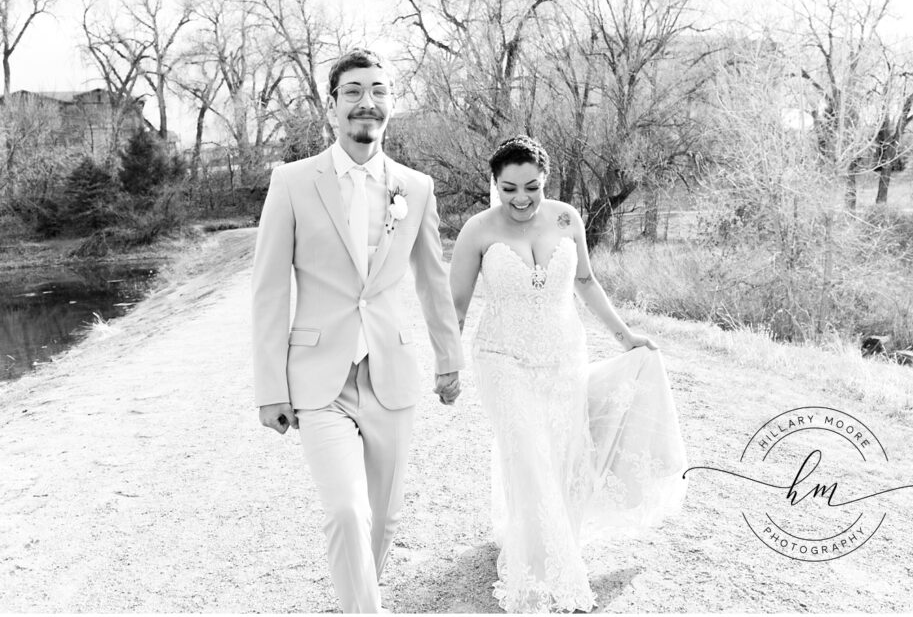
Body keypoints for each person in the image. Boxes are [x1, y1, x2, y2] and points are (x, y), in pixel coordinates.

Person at [251, 48, 464, 613]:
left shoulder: (415, 188)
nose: (365, 102)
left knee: (385, 518)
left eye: (377, 91)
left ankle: (354, 603)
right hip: (321, 380)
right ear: (332, 106)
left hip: (392, 374)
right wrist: (270, 386)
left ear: (391, 104)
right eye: (352, 92)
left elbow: (433, 280)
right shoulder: (293, 182)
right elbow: (270, 290)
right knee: (347, 509)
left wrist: (449, 357)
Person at [450, 135, 687, 613]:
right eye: (509, 188)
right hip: (502, 358)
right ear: (494, 184)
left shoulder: (566, 218)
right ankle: (543, 571)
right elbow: (452, 308)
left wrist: (626, 339)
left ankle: (544, 538)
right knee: (526, 451)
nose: (521, 199)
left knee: (560, 453)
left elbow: (585, 281)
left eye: (531, 187)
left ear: (546, 180)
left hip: (563, 357)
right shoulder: (477, 231)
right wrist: (446, 364)